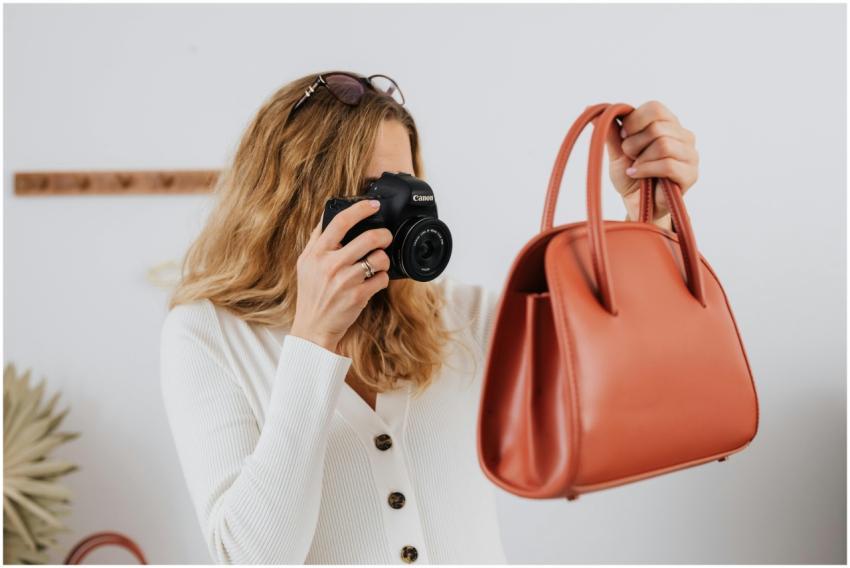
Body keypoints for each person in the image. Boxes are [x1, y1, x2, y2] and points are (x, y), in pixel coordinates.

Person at [159, 70, 700, 564]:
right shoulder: (207, 335)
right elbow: (252, 558)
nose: (400, 215)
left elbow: (634, 380)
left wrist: (644, 223)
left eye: (407, 187)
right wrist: (313, 339)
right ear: (290, 200)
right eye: (376, 195)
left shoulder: (463, 315)